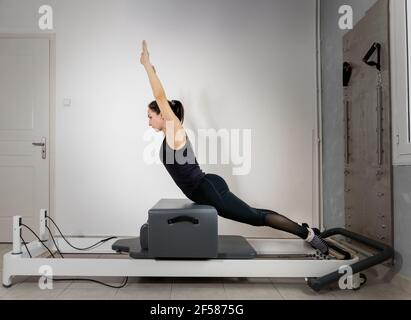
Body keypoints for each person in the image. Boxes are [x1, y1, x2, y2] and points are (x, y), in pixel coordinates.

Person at [140, 40, 329, 255]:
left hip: (208, 190)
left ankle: (309, 235)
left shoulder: (175, 131)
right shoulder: (169, 135)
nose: (148, 121)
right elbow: (161, 99)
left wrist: (147, 65)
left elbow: (160, 96)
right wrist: (153, 71)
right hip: (207, 187)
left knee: (256, 217)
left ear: (163, 115)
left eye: (150, 116)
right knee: (254, 213)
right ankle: (304, 230)